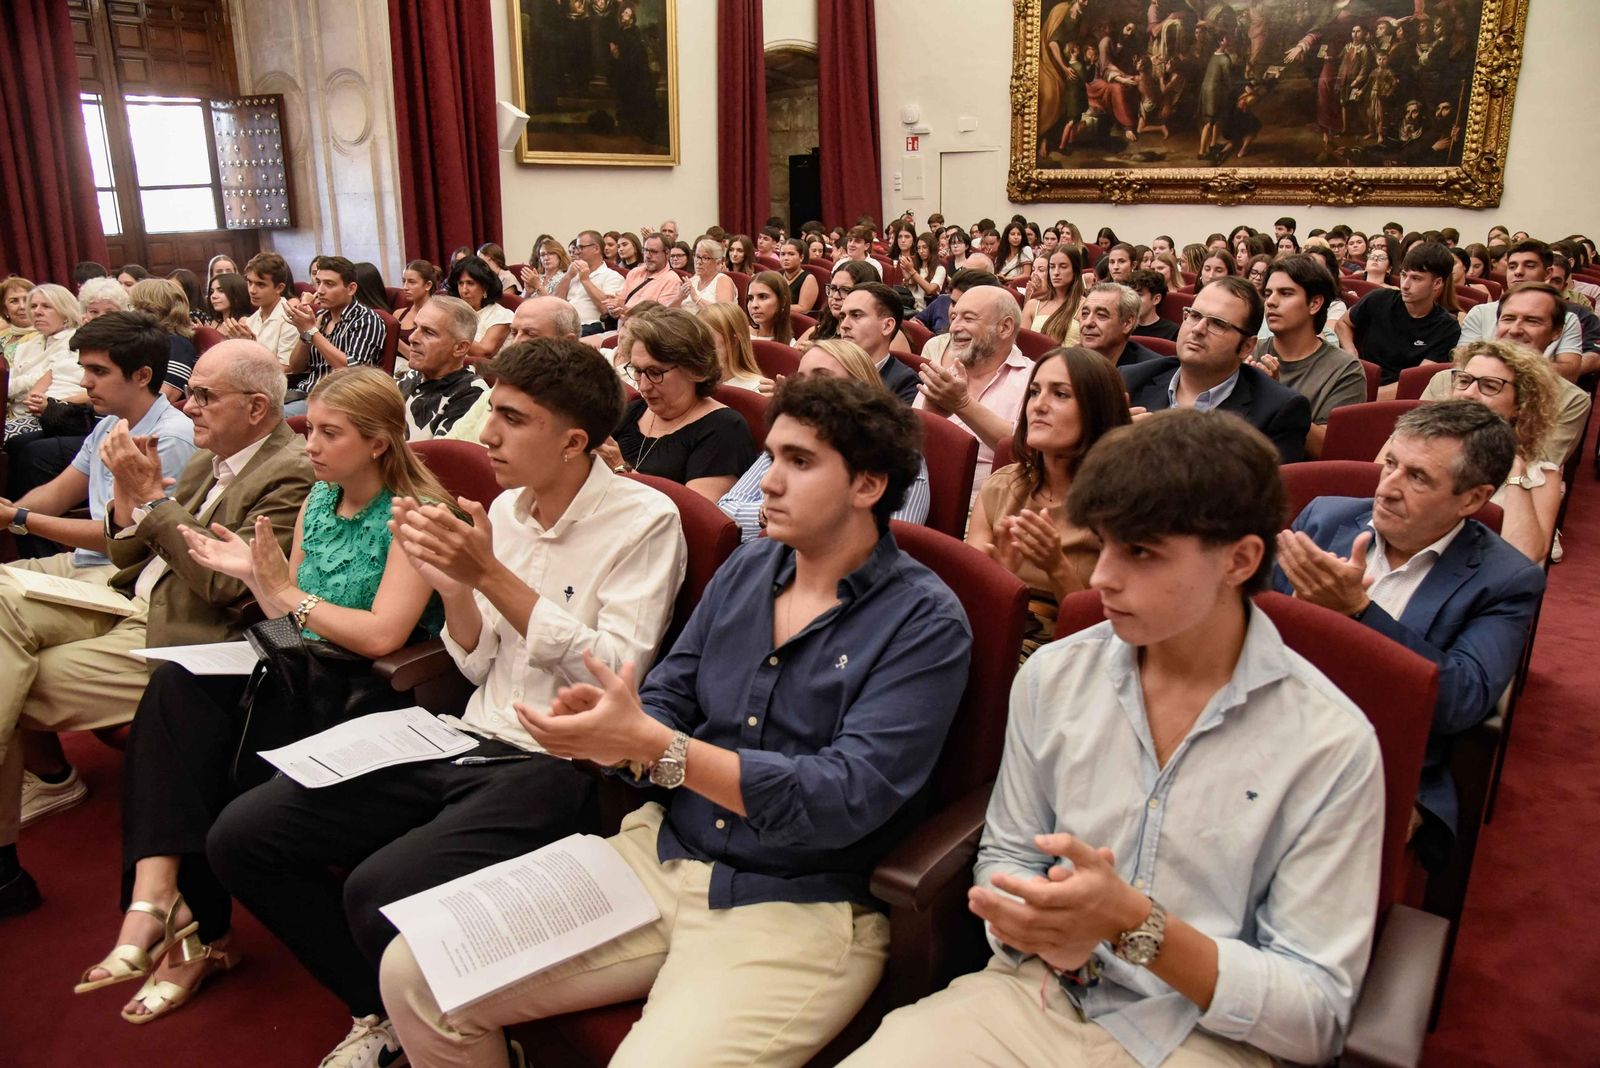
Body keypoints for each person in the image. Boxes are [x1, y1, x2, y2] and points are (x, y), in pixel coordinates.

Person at [383, 372, 970, 1068]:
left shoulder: (924, 621)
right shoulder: (750, 569)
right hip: (666, 849)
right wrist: (615, 730)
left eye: (800, 462)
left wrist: (659, 747)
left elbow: (842, 799)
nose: (769, 481)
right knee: (415, 971)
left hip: (799, 901)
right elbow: (668, 696)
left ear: (868, 485)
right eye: (772, 457)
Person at [843, 408, 1384, 1068]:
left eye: (1141, 552)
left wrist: (1133, 924)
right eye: (1102, 545)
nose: (1100, 577)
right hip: (1037, 992)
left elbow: (1315, 1014)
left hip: (1204, 1037)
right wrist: (1033, 919)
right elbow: (1009, 851)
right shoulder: (1053, 675)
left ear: (1240, 560)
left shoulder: (1329, 742)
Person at [209, 338, 686, 1068]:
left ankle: (425, 1020)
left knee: (375, 890)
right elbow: (477, 658)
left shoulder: (645, 519)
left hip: (555, 761)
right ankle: (379, 1010)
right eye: (492, 411)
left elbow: (614, 672)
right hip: (464, 734)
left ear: (573, 443)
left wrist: (487, 576)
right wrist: (458, 590)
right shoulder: (508, 509)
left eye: (512, 419)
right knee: (241, 835)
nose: (486, 433)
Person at [82, 366, 446, 1023]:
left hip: (376, 687)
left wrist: (279, 594)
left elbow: (382, 634)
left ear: (378, 443)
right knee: (176, 689)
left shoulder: (413, 513)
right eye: (311, 430)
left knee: (197, 758)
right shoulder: (320, 500)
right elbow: (287, 618)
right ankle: (156, 893)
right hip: (306, 667)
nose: (311, 446)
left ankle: (182, 923)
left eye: (330, 434)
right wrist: (258, 586)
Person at [0, 339, 311, 917]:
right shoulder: (209, 455)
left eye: (205, 396)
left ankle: (9, 859)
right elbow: (126, 554)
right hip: (130, 598)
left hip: (186, 632)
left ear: (256, 408)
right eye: (190, 392)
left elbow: (229, 587)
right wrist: (128, 499)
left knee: (14, 678)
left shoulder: (291, 471)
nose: (188, 405)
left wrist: (150, 499)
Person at [1277, 400, 1544, 870]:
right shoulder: (1325, 518)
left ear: (1472, 499)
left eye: (1418, 477)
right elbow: (1241, 618)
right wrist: (1296, 613)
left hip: (1379, 757)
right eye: (1391, 464)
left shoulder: (1505, 579)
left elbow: (1461, 699)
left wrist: (1358, 614)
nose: (1387, 487)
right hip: (1269, 719)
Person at [967, 346, 1130, 657]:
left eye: (1060, 394)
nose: (1039, 405)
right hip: (991, 632)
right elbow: (970, 596)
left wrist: (1056, 567)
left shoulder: (1122, 507)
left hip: (1070, 652)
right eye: (1034, 392)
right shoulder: (1003, 485)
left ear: (1098, 410)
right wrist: (1000, 579)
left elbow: (1110, 635)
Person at [719, 339, 931, 540]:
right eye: (800, 379)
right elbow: (725, 508)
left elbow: (889, 541)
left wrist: (795, 512)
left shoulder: (894, 455)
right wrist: (766, 513)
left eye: (821, 378)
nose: (805, 389)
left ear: (861, 388)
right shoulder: (788, 436)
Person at [1386, 340, 1562, 565]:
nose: (1469, 393)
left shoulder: (1540, 475)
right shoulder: (1409, 442)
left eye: (1489, 386)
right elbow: (1371, 508)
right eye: (1464, 381)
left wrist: (1515, 469)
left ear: (1521, 405)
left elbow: (1522, 557)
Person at [1122, 277, 1312, 463]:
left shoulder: (1278, 410)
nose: (1198, 329)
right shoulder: (1129, 380)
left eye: (1218, 323)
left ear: (1247, 346)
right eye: (1194, 315)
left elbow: (1267, 483)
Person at [1420, 283, 1592, 470]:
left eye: (1532, 321)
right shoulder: (1447, 379)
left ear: (1556, 332)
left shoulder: (1570, 399)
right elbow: (1415, 446)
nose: (1515, 329)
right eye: (1508, 319)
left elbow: (1534, 471)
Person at [606, 309, 757, 502]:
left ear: (695, 370)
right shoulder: (633, 411)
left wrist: (620, 468)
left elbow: (695, 515)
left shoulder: (725, 429)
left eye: (655, 372)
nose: (643, 386)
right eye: (637, 370)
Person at [913, 285, 1035, 493]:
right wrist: (930, 414)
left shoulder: (1034, 380)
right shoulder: (944, 376)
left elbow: (1029, 452)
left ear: (1004, 327)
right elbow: (908, 449)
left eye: (968, 319)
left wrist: (963, 405)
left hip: (989, 504)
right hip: (922, 492)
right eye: (954, 317)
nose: (954, 328)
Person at [1249, 255, 1366, 458]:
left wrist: (1275, 397)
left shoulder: (1346, 370)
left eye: (1285, 293)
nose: (1271, 302)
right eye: (1267, 294)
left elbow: (1330, 450)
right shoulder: (1248, 352)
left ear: (1314, 303)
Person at [445, 296, 581, 445]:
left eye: (531, 334)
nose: (516, 343)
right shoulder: (499, 388)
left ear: (567, 342)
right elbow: (449, 443)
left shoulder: (578, 405)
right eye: (515, 333)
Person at [1335, 242, 1460, 393]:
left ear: (1437, 283)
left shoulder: (1447, 328)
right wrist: (1351, 352)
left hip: (1397, 397)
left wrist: (1366, 397)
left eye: (1416, 278)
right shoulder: (1379, 298)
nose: (1405, 285)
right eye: (1403, 275)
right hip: (1358, 381)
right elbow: (1343, 323)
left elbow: (1416, 383)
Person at [1457, 241, 1584, 380]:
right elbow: (1463, 362)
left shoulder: (1568, 319)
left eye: (1529, 266)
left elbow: (1569, 372)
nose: (1518, 272)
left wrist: (1505, 368)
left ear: (1548, 273)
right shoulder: (1480, 313)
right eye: (1512, 266)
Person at [286, 256, 388, 416]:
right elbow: (296, 368)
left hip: (339, 401)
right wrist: (305, 335)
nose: (320, 291)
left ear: (351, 289)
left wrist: (312, 332)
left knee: (271, 418)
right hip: (306, 392)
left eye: (329, 284)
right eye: (318, 282)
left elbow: (353, 372)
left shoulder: (367, 320)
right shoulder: (321, 316)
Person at [396, 296, 489, 441]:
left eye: (428, 332)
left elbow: (439, 454)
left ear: (460, 348)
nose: (412, 338)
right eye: (415, 327)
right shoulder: (412, 375)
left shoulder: (471, 394)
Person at [4, 284, 81, 439]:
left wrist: (5, 387)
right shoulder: (27, 344)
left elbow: (40, 378)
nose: (37, 312)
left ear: (65, 311)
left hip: (45, 417)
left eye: (46, 306)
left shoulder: (74, 340)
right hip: (13, 412)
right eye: (33, 306)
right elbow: (12, 377)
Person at [835, 283, 920, 404]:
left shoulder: (905, 383)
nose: (844, 325)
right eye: (842, 317)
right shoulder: (829, 368)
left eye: (856, 315)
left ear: (887, 326)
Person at [219, 252, 300, 367]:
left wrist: (251, 346)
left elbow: (286, 368)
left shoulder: (290, 320)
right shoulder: (251, 320)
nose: (252, 290)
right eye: (249, 282)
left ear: (279, 288)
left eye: (260, 285)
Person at [445, 255, 514, 367]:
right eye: (460, 283)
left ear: (485, 287)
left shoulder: (502, 316)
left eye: (470, 283)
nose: (464, 290)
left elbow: (484, 352)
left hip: (489, 373)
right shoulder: (456, 313)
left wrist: (448, 332)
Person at [555, 230, 624, 338]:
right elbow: (555, 302)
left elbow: (606, 309)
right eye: (576, 248)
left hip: (590, 327)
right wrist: (568, 276)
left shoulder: (612, 276)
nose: (576, 252)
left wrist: (586, 280)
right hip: (563, 326)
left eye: (581, 247)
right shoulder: (573, 274)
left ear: (596, 248)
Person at [1076, 282, 1162, 369]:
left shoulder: (1152, 370)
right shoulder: (1070, 361)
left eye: (1101, 315)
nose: (1088, 322)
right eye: (1085, 313)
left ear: (1127, 323)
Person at [606, 233, 684, 320]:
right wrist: (614, 308)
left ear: (667, 254)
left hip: (643, 327)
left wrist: (625, 310)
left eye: (654, 251)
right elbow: (621, 301)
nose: (648, 256)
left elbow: (660, 318)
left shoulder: (672, 280)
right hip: (621, 325)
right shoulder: (634, 272)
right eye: (646, 250)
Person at [699, 302, 766, 393]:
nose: (699, 342)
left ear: (734, 340)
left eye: (707, 334)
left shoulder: (757, 388)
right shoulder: (694, 383)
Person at [1022, 247, 1085, 345]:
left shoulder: (1086, 306)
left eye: (1063, 267)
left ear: (1075, 270)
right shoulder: (1032, 305)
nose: (1055, 272)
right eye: (1052, 267)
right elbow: (1021, 345)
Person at [679, 237, 738, 310]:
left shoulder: (723, 280)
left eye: (705, 258)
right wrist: (679, 298)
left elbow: (724, 312)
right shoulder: (692, 281)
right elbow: (670, 310)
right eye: (697, 256)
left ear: (718, 262)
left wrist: (696, 298)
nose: (699, 262)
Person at [1127, 268, 1179, 341]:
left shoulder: (1172, 331)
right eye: (1131, 294)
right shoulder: (1124, 327)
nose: (1132, 299)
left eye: (1139, 295)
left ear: (1156, 299)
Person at [900, 231, 947, 311]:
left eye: (924, 247)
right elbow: (908, 293)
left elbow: (930, 290)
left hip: (926, 311)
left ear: (931, 248)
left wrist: (911, 271)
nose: (921, 251)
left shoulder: (939, 269)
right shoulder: (914, 266)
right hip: (909, 308)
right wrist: (907, 279)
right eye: (919, 248)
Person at [746, 270, 793, 345]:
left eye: (763, 297)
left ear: (783, 302)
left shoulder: (791, 347)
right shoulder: (739, 336)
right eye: (750, 298)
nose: (754, 305)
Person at [778, 238, 821, 313]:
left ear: (801, 257)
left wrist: (775, 307)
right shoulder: (777, 275)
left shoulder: (808, 278)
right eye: (783, 254)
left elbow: (804, 308)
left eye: (791, 254)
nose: (786, 258)